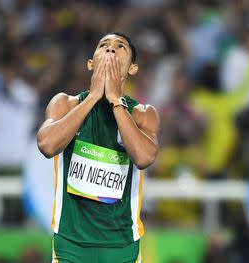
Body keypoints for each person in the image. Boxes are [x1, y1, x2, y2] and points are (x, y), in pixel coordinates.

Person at [37, 32, 160, 263]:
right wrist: (93, 97)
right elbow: (47, 144)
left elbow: (144, 157)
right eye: (104, 45)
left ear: (132, 68)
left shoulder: (142, 113)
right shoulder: (64, 103)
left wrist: (115, 101)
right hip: (70, 246)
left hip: (121, 247)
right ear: (90, 63)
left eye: (120, 46)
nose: (111, 49)